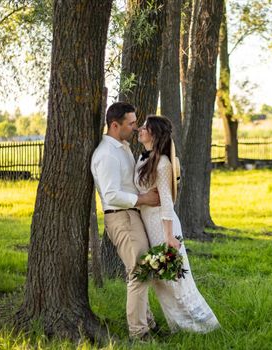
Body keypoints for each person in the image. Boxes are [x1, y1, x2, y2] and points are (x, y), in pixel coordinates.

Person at [135, 115, 220, 333]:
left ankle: (203, 327)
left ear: (154, 134)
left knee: (175, 279)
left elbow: (166, 203)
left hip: (163, 227)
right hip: (148, 225)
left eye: (145, 127)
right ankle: (179, 326)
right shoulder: (144, 159)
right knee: (161, 281)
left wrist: (169, 236)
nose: (140, 129)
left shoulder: (163, 164)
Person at [91, 102, 160, 339]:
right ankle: (139, 332)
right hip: (121, 218)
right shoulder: (107, 154)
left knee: (143, 270)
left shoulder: (122, 147)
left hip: (131, 216)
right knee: (139, 272)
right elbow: (110, 195)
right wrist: (143, 199)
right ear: (114, 125)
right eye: (131, 123)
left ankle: (147, 322)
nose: (135, 127)